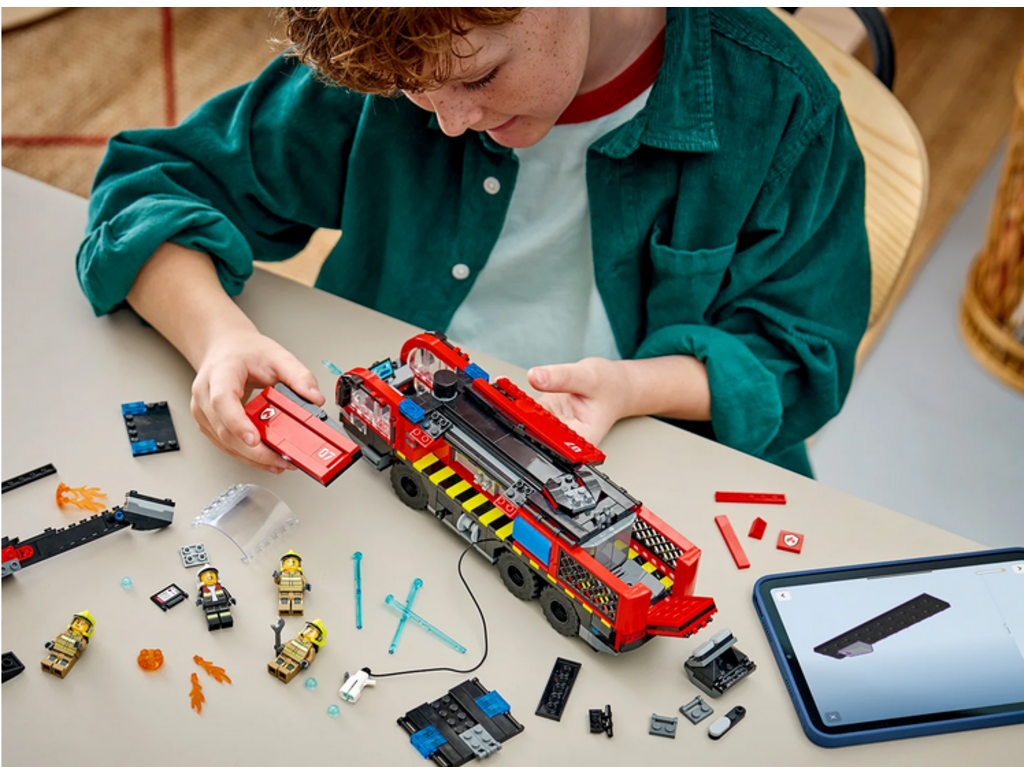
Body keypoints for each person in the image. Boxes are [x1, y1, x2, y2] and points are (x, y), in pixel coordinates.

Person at [77, 7, 870, 478]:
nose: (449, 122)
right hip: (397, 441)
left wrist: (633, 390)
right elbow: (153, 186)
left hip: (647, 468)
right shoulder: (403, 41)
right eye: (412, 94)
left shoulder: (779, 106)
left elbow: (803, 357)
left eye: (481, 79)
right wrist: (217, 337)